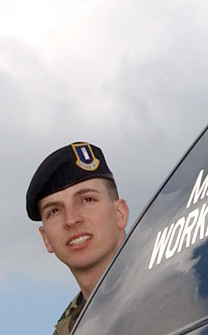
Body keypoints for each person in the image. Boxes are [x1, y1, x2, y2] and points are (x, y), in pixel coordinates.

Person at [27, 143, 129, 335]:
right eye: (54, 211)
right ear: (46, 238)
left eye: (87, 200)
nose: (71, 220)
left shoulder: (176, 286)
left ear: (120, 213)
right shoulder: (71, 327)